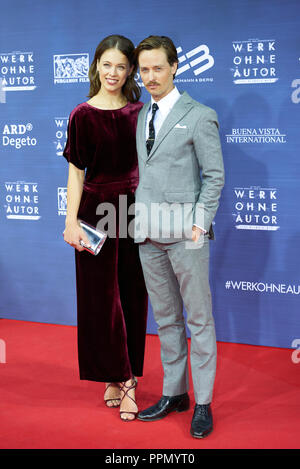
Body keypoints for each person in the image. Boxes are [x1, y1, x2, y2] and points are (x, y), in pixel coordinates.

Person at [134, 36, 224, 437]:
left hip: (186, 234)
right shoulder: (140, 115)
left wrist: (199, 223)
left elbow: (214, 177)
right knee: (166, 319)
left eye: (157, 68)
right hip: (146, 232)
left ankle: (202, 402)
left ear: (174, 67)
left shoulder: (200, 115)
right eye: (144, 69)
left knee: (198, 319)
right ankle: (176, 393)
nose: (150, 76)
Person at [63, 35, 148, 422]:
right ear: (96, 65)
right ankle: (114, 372)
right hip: (95, 215)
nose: (113, 73)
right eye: (106, 64)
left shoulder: (140, 113)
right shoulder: (81, 114)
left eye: (121, 66)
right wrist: (69, 222)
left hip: (133, 212)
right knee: (99, 301)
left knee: (130, 296)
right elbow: (76, 174)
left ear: (131, 70)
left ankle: (127, 379)